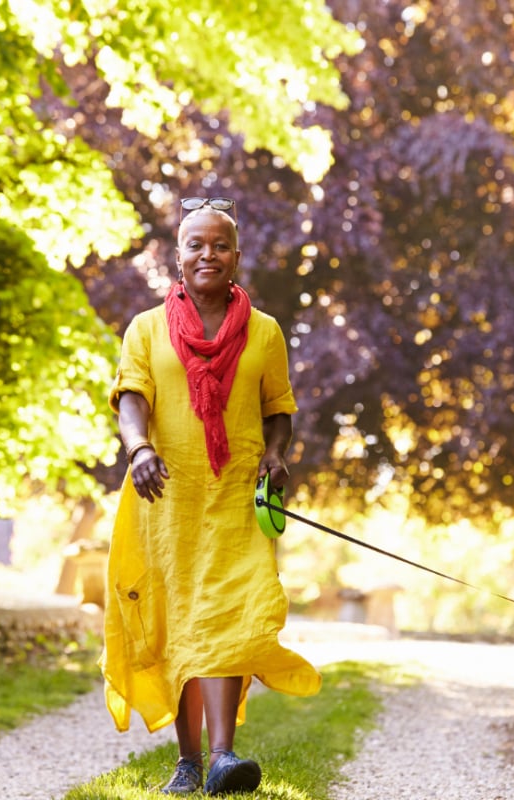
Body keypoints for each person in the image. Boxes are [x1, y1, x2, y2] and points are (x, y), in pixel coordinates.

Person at [101, 196, 322, 795]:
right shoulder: (146, 329)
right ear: (179, 256)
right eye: (196, 244)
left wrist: (276, 455)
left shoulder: (265, 332)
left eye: (219, 244)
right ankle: (188, 760)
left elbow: (279, 409)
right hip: (165, 496)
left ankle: (223, 758)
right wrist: (139, 450)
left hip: (236, 497)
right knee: (177, 624)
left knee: (230, 617)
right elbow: (131, 401)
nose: (208, 254)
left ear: (236, 257)